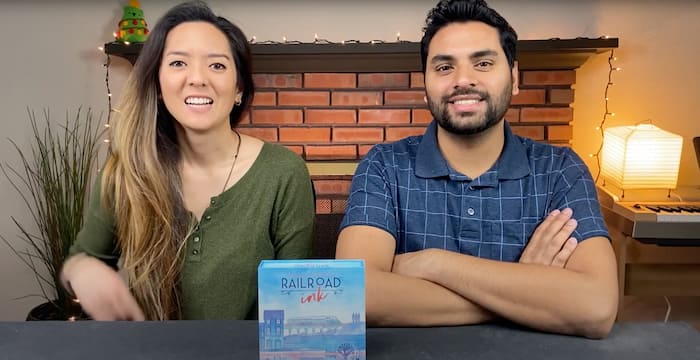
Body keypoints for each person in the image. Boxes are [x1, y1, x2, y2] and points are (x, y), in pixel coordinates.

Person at [335, 0, 618, 338]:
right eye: (443, 68)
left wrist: (434, 263)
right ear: (425, 85)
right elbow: (355, 297)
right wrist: (524, 293)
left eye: (483, 63)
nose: (463, 80)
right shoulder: (384, 166)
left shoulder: (560, 170)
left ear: (514, 78)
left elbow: (596, 307)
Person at [60, 1, 315, 321]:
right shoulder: (125, 172)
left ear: (239, 89)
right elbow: (78, 262)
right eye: (179, 63)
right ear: (160, 85)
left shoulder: (284, 173)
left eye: (218, 65)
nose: (197, 78)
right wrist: (83, 269)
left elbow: (296, 305)